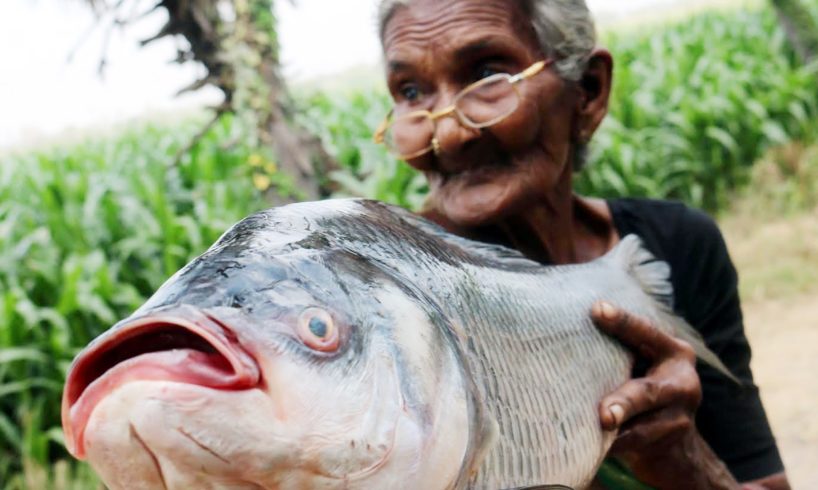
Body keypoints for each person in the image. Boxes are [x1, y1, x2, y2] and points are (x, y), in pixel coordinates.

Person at [372, 0, 791, 488]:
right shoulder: (393, 300)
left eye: (487, 73)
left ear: (589, 91)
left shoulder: (675, 246)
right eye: (411, 91)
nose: (446, 131)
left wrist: (679, 457)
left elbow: (764, 480)